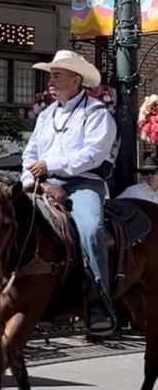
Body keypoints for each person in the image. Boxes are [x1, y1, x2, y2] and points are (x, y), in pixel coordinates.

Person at [21, 49, 117, 337]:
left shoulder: (97, 113)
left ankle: (99, 299)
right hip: (43, 184)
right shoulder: (46, 114)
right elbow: (31, 152)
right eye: (51, 74)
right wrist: (28, 179)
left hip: (83, 184)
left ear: (76, 79)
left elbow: (94, 154)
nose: (51, 80)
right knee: (15, 224)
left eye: (58, 75)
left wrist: (51, 164)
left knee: (89, 229)